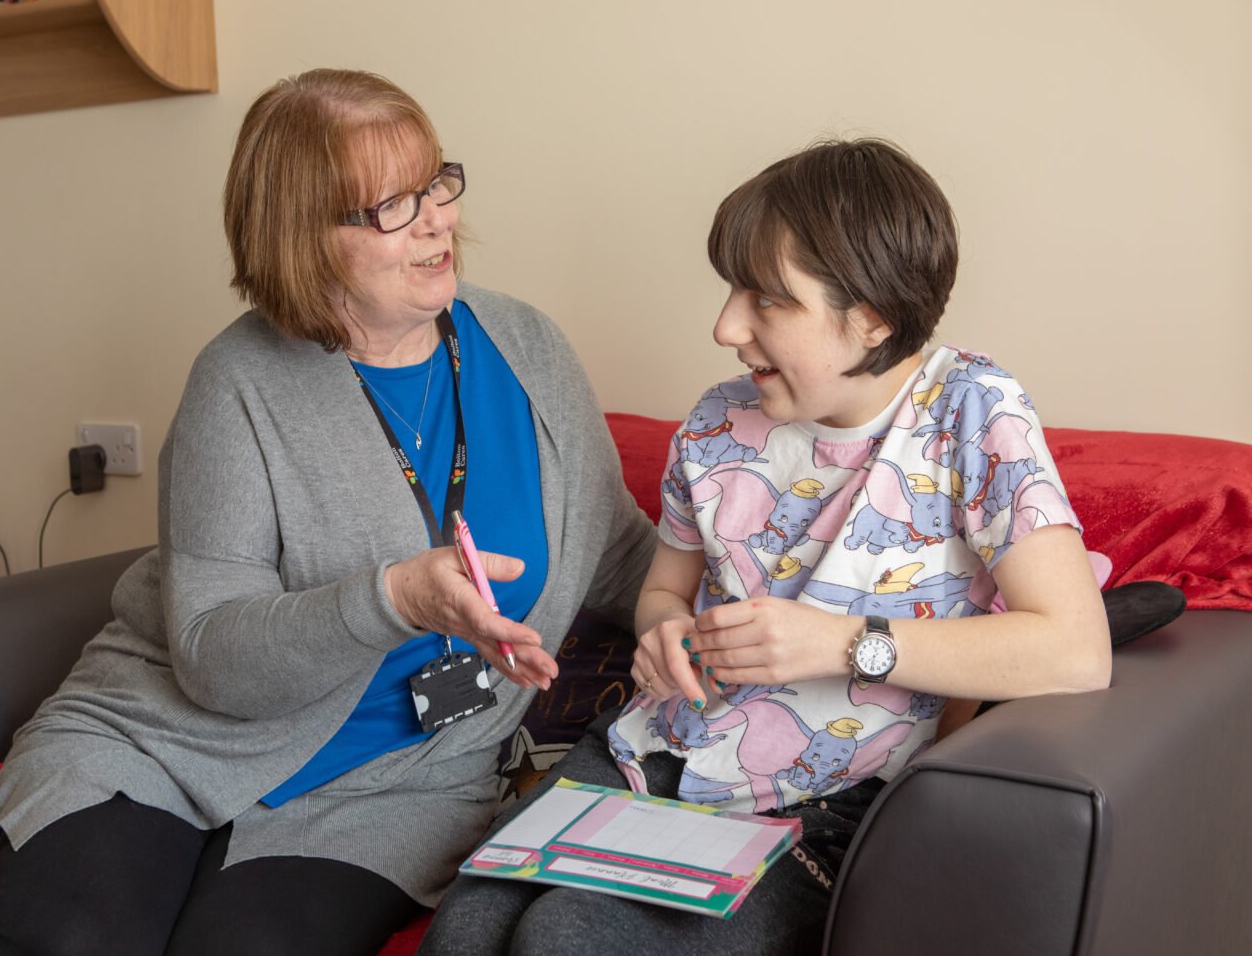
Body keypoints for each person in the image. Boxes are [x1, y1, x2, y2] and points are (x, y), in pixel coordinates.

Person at [0, 69, 656, 956]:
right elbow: (212, 658)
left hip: (397, 785)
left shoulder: (528, 351)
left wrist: (765, 613)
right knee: (63, 940)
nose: (438, 218)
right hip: (168, 740)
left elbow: (620, 553)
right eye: (392, 206)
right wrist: (397, 600)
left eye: (436, 183)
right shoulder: (237, 384)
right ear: (302, 238)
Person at [419, 138, 1112, 955]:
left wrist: (843, 643)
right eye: (730, 291)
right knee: (464, 934)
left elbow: (1075, 650)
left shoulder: (972, 413)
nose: (725, 326)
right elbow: (663, 592)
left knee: (572, 940)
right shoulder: (716, 424)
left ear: (874, 317)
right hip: (651, 755)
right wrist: (662, 631)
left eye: (767, 299)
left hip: (826, 803)